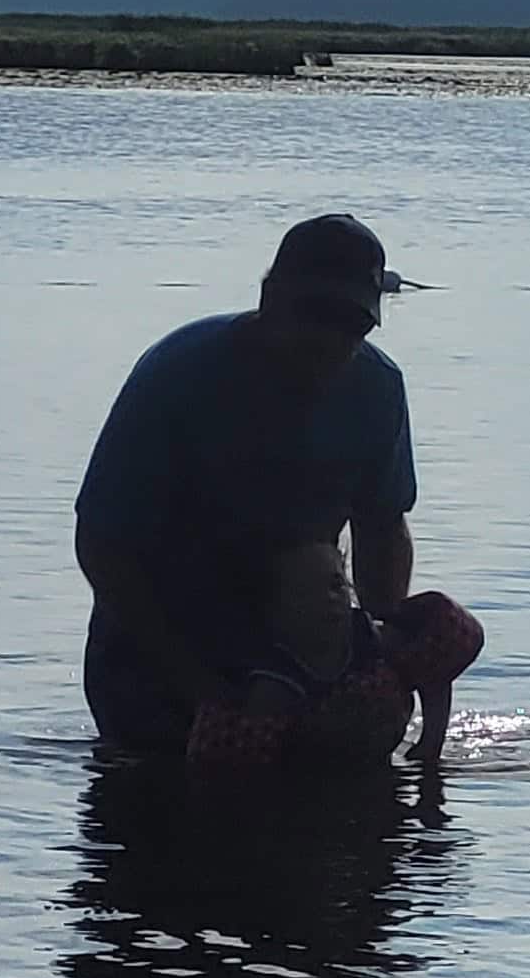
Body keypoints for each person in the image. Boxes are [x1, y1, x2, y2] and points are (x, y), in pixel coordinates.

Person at [74, 212, 475, 782]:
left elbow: (383, 525)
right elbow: (101, 544)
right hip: (158, 649)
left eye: (352, 324)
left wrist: (386, 652)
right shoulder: (177, 376)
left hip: (304, 636)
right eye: (314, 315)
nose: (330, 341)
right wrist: (198, 685)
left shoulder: (377, 388)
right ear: (269, 297)